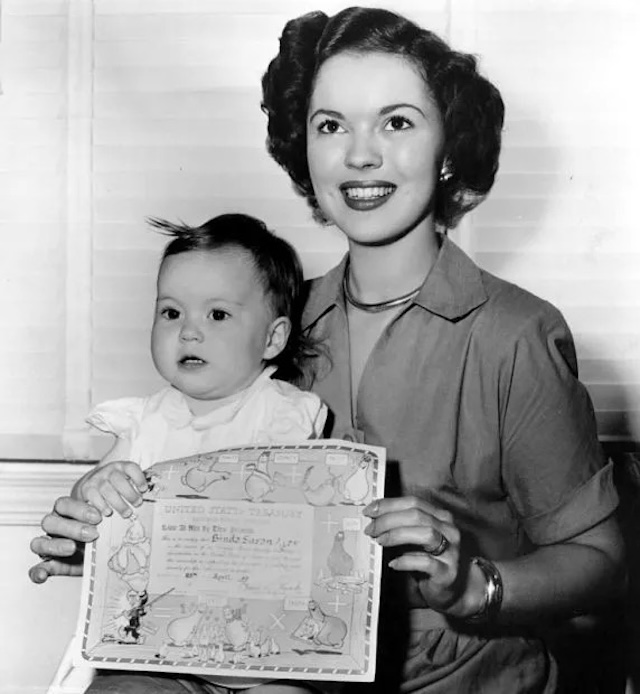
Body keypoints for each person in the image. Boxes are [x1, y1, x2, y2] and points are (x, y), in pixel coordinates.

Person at [30, 7, 625, 693]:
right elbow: (194, 499)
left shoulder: (514, 334)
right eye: (330, 125)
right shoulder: (262, 324)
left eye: (396, 122)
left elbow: (601, 560)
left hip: (450, 673)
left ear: (450, 147)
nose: (360, 153)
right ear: (302, 150)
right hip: (261, 661)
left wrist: (476, 587)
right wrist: (111, 543)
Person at [32, 212, 332, 694]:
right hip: (154, 652)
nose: (189, 332)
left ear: (273, 337)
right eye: (171, 313)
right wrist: (93, 491)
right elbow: (86, 510)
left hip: (263, 656)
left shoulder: (284, 417)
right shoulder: (143, 423)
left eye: (217, 315)